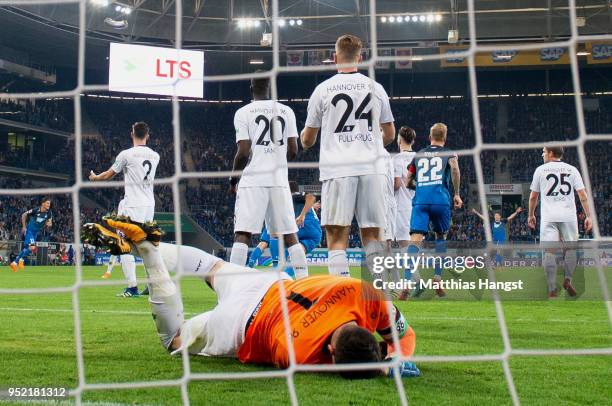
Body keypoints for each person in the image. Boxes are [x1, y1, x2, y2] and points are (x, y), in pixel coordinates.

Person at [81, 216, 420, 379]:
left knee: (211, 266)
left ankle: (153, 245)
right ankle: (148, 253)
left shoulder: (364, 295)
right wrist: (385, 367)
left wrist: (394, 352)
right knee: (175, 341)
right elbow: (339, 363)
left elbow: (403, 333)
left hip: (267, 285)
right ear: (331, 353)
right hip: (242, 324)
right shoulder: (298, 353)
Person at [301, 34, 395, 278]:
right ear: (360, 58)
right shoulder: (376, 88)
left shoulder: (323, 89)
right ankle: (380, 299)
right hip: (372, 168)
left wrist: (304, 139)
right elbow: (390, 133)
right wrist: (370, 142)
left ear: (334, 58)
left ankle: (341, 296)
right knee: (374, 236)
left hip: (338, 168)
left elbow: (308, 140)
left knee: (336, 234)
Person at [229, 76, 309, 280]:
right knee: (290, 234)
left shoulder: (243, 112)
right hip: (279, 180)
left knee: (243, 233)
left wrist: (233, 179)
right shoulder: (286, 111)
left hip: (253, 180)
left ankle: (233, 285)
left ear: (251, 88)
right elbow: (293, 149)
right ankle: (304, 282)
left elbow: (243, 151)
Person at [89, 122, 159, 297]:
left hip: (133, 205)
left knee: (124, 244)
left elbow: (109, 174)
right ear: (148, 136)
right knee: (147, 246)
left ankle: (132, 287)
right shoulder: (155, 155)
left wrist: (95, 178)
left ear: (131, 134)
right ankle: (153, 286)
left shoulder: (126, 155)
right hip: (149, 205)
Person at [403, 123, 462, 298]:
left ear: (430, 137)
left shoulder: (419, 154)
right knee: (440, 238)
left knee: (414, 240)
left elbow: (408, 181)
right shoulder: (449, 153)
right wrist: (457, 194)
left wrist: (420, 186)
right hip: (440, 200)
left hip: (421, 201)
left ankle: (406, 282)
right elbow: (455, 169)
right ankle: (437, 277)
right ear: (445, 137)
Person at [528, 146, 592, 297]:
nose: (542, 154)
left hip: (549, 216)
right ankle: (568, 280)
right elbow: (582, 195)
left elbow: (533, 197)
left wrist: (531, 215)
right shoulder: (572, 170)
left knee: (549, 251)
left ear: (550, 153)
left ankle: (551, 288)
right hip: (568, 216)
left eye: (544, 152)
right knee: (570, 249)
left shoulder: (540, 170)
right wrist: (589, 216)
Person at [248, 181, 322, 276]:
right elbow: (309, 197)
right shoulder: (297, 201)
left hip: (301, 225)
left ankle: (265, 268)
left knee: (271, 237)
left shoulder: (288, 197)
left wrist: (302, 215)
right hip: (315, 233)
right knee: (297, 252)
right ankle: (292, 277)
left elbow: (310, 196)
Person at [10, 196, 53, 272]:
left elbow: (50, 222)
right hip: (29, 231)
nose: (49, 205)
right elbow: (24, 215)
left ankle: (14, 263)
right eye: (47, 203)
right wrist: (24, 227)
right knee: (32, 247)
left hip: (35, 233)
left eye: (49, 203)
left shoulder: (49, 212)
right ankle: (20, 260)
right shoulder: (35, 210)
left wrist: (49, 223)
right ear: (43, 203)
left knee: (27, 249)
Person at [393, 126, 417, 247]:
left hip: (402, 205)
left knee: (404, 244)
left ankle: (409, 266)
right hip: (418, 206)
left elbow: (396, 185)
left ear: (399, 139)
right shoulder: (419, 157)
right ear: (413, 141)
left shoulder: (397, 159)